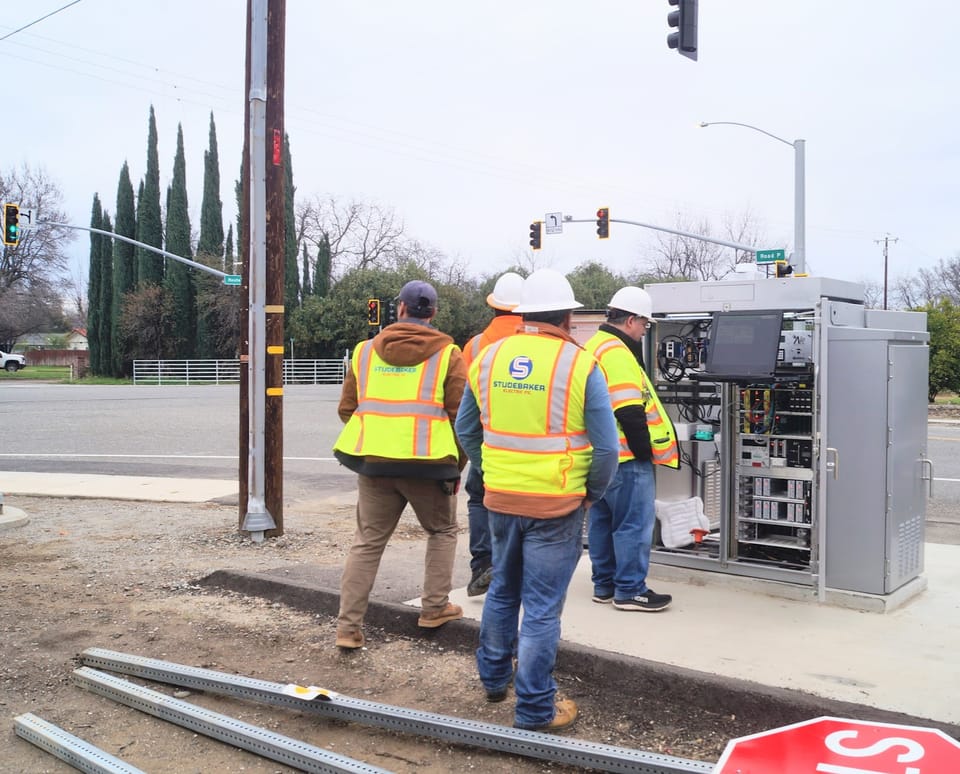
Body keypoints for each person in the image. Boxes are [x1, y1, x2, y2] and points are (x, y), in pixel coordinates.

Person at [455, 268, 619, 732]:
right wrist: (592, 493)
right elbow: (607, 449)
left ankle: (492, 679)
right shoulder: (580, 363)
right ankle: (534, 709)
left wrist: (492, 472)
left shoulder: (487, 357)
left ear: (522, 312)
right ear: (569, 316)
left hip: (501, 500)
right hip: (557, 504)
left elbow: (467, 428)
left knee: (503, 591)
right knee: (543, 608)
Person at [333, 280, 467, 649]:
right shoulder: (449, 355)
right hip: (431, 467)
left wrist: (379, 438)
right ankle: (434, 608)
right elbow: (463, 419)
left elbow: (348, 409)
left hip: (375, 466)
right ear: (434, 313)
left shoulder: (364, 352)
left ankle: (348, 629)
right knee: (441, 532)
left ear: (401, 310)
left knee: (368, 542)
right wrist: (457, 464)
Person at [583, 286, 679, 612]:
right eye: (644, 325)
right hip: (625, 458)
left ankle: (604, 586)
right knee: (633, 526)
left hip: (599, 456)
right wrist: (643, 454)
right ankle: (630, 590)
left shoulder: (593, 345)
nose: (643, 331)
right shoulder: (617, 352)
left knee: (601, 522)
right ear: (630, 320)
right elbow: (629, 409)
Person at [461, 271, 524, 597]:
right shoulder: (535, 346)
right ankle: (513, 570)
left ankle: (483, 565)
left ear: (493, 306)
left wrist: (478, 458)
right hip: (531, 450)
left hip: (486, 444)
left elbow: (463, 412)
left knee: (480, 501)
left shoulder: (474, 347)